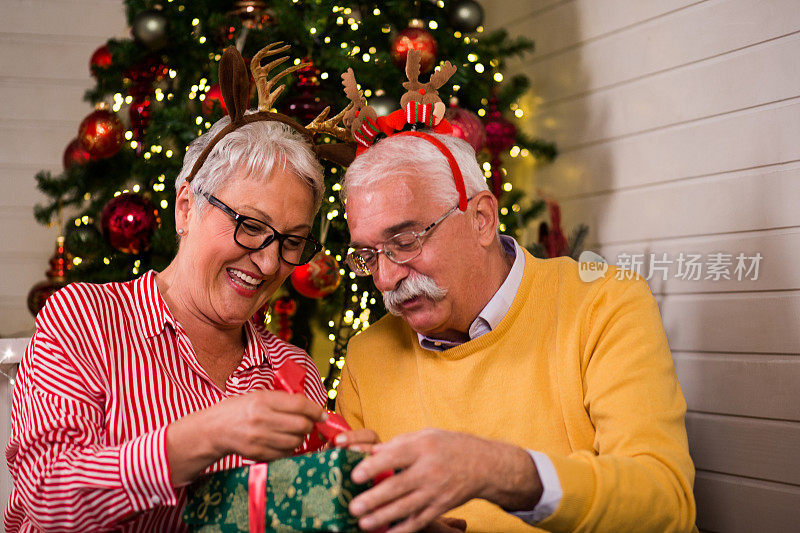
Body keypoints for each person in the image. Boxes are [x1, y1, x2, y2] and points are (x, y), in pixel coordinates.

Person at [333, 131, 698, 533]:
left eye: (404, 241)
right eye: (367, 256)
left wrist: (498, 471)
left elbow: (663, 501)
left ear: (481, 219)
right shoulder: (367, 356)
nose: (385, 279)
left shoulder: (603, 303)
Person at [4, 102, 340, 529]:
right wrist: (205, 436)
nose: (271, 264)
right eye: (251, 226)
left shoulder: (295, 372)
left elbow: (298, 518)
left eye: (292, 241)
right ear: (185, 207)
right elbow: (49, 496)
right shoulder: (84, 319)